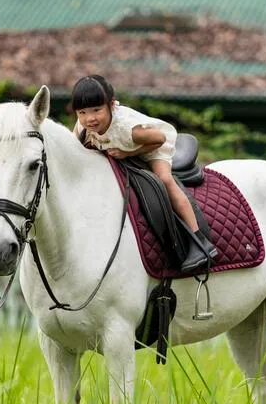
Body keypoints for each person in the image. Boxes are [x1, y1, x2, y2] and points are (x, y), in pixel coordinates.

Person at [70, 74, 218, 273]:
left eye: (97, 110)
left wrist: (128, 152)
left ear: (111, 105)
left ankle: (199, 241)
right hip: (126, 145)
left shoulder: (127, 130)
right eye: (82, 112)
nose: (90, 118)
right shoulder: (83, 126)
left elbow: (159, 139)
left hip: (152, 145)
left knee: (164, 180)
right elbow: (73, 147)